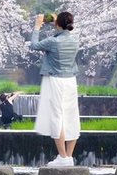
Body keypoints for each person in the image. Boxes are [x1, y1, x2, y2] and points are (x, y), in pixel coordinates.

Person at [30, 10, 80, 166]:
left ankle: (62, 157)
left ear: (58, 24)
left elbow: (34, 45)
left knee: (57, 116)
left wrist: (37, 26)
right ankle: (69, 157)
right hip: (71, 80)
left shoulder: (53, 41)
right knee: (71, 116)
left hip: (56, 81)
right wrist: (59, 24)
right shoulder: (75, 40)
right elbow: (65, 31)